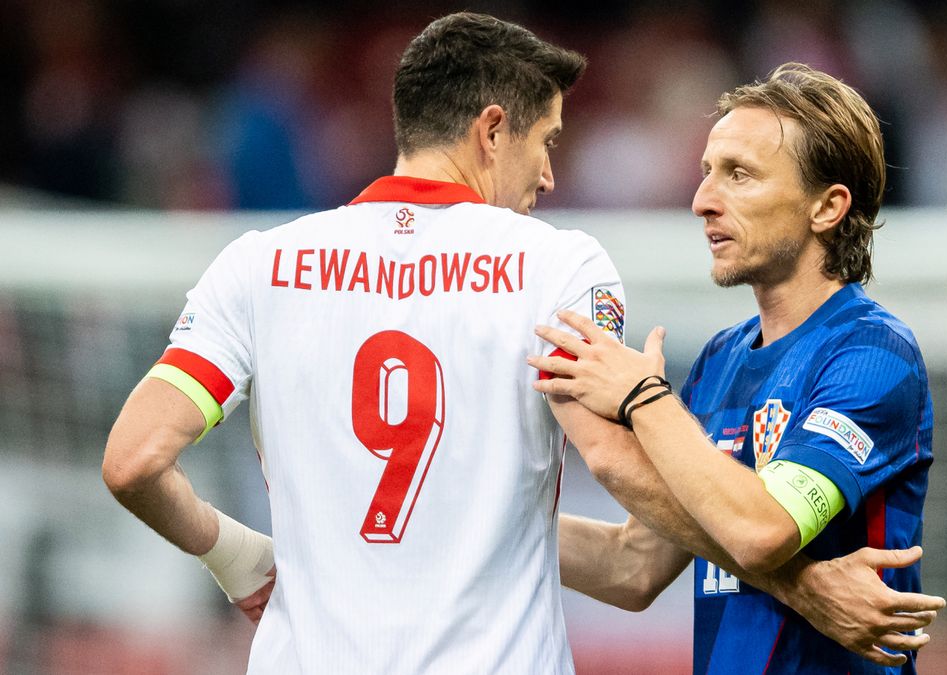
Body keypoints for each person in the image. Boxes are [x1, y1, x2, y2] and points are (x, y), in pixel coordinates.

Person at [103, 12, 606, 673]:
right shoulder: (558, 265)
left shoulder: (261, 263)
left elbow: (133, 460)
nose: (547, 177)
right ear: (491, 131)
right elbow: (614, 459)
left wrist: (235, 555)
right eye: (546, 143)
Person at [534, 62, 940, 673]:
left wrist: (643, 399)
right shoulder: (721, 361)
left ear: (827, 207)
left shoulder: (872, 355)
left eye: (739, 176)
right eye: (706, 174)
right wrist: (484, 520)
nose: (702, 201)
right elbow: (634, 566)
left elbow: (760, 530)